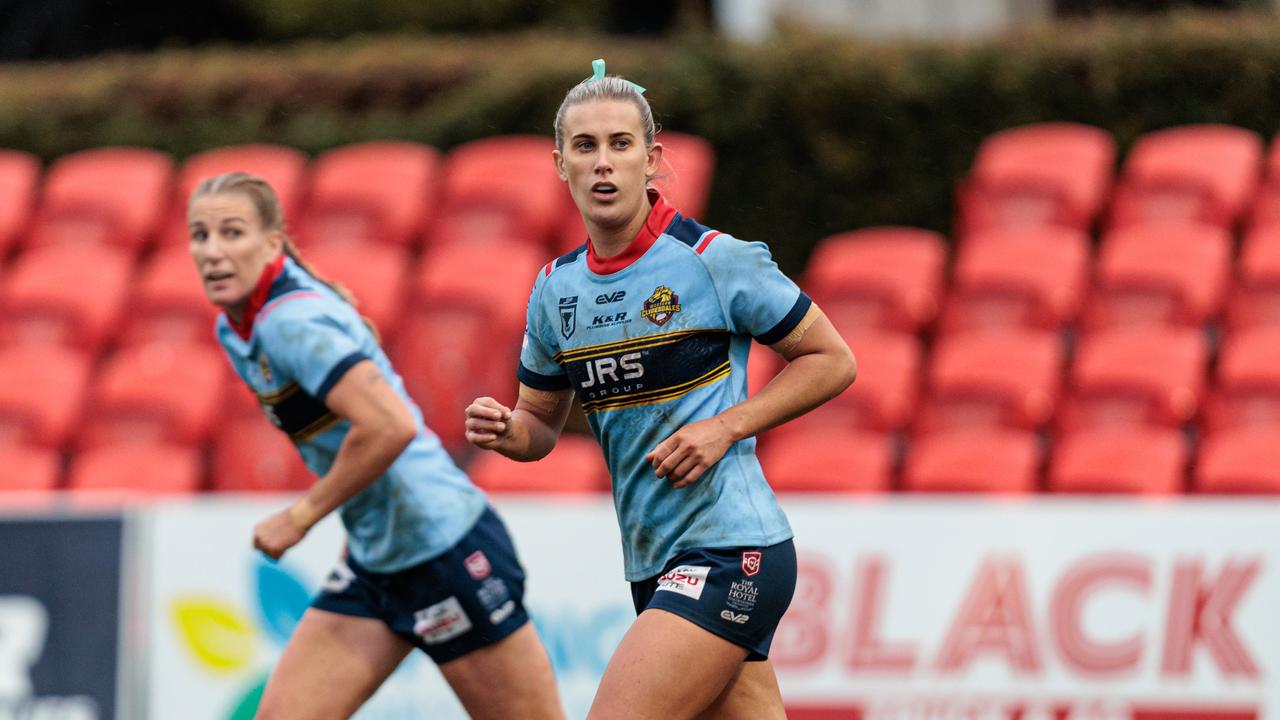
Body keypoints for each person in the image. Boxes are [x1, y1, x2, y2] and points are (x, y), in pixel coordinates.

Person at [464, 60, 857, 720]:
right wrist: (510, 432)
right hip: (651, 565)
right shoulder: (554, 291)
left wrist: (726, 426)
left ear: (653, 159)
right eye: (584, 146)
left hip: (732, 551)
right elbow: (539, 427)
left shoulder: (714, 260)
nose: (603, 163)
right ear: (560, 164)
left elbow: (832, 360)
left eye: (621, 144)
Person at [188, 172, 564, 720]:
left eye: (232, 233)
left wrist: (301, 516)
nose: (213, 252)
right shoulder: (236, 325)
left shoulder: (291, 323)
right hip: (377, 560)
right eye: (200, 235)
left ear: (271, 243)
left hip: (445, 550)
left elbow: (390, 427)